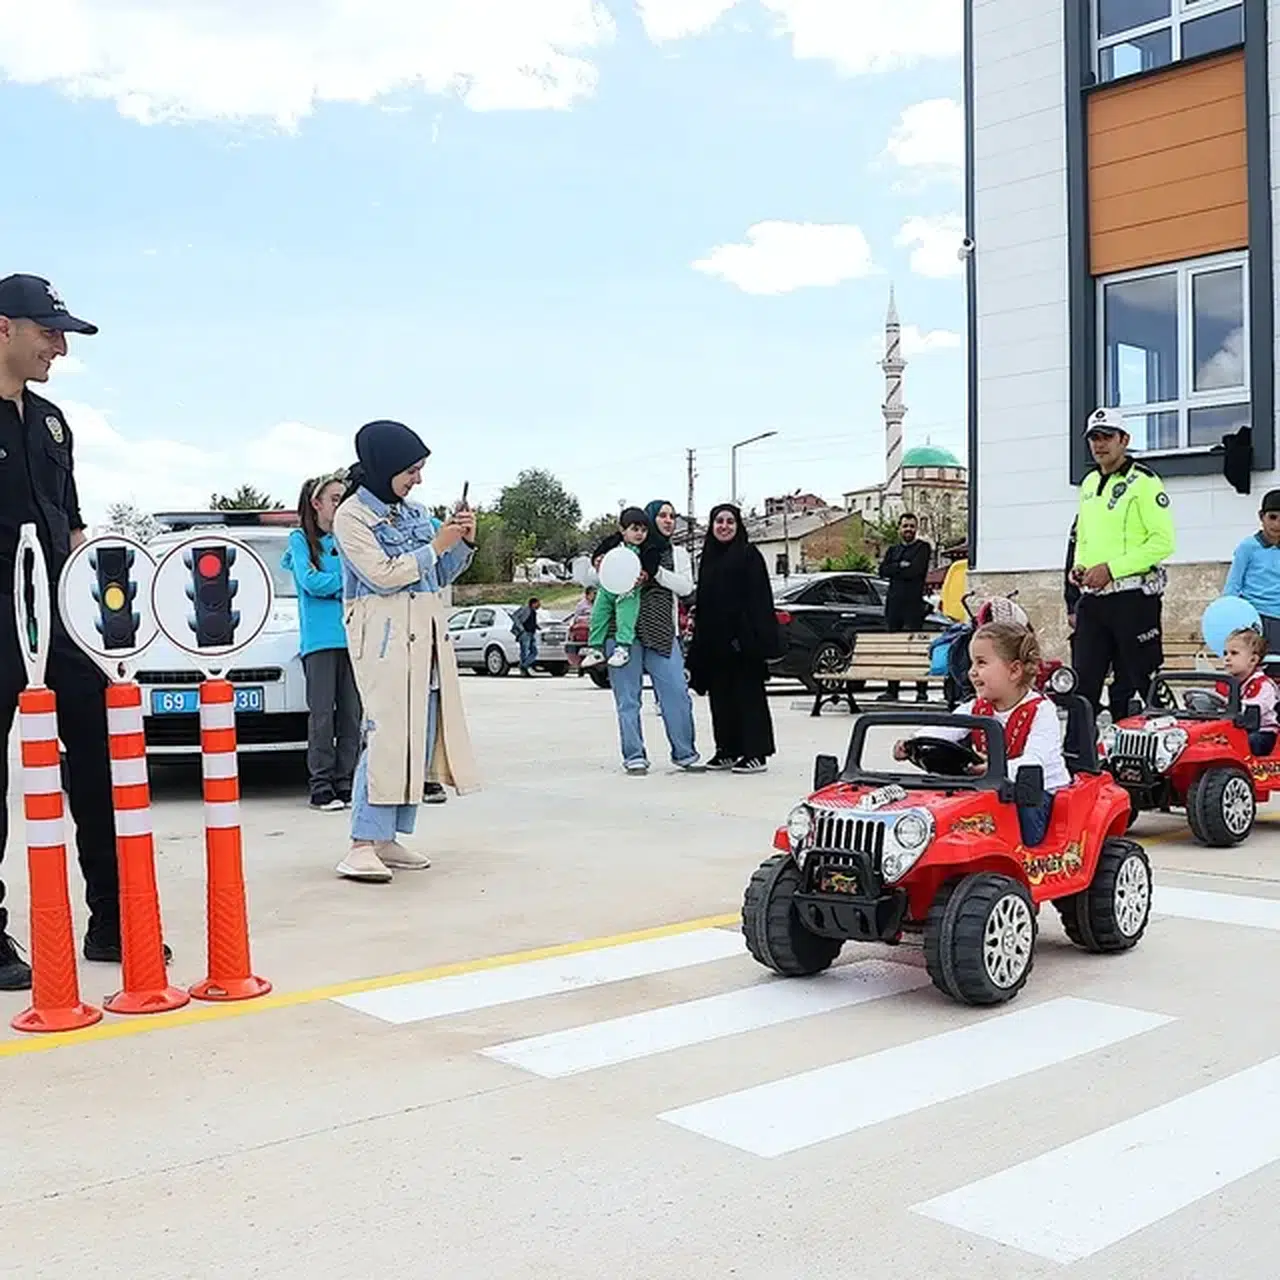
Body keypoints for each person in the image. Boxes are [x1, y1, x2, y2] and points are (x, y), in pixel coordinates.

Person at [0, 274, 134, 990]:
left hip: (56, 614)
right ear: (4, 329)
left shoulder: (52, 423)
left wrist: (91, 611)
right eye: (49, 332)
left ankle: (113, 919)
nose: (60, 346)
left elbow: (72, 522)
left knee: (100, 757)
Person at [330, 419, 480, 883]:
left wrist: (464, 540)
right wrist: (439, 543)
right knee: (386, 731)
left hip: (426, 629)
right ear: (385, 466)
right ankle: (360, 843)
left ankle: (388, 836)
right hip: (382, 630)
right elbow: (383, 574)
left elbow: (440, 572)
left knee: (418, 730)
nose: (418, 479)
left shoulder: (415, 513)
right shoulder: (351, 515)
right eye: (411, 469)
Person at [894, 621, 1069, 846]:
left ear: (1014, 670)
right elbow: (946, 728)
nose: (972, 672)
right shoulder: (976, 707)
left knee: (1021, 805)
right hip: (992, 787)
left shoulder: (1041, 710)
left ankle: (1023, 855)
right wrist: (913, 742)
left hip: (1038, 793)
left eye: (982, 663)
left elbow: (1036, 760)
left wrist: (998, 768)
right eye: (972, 663)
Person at [1066, 406, 1176, 722]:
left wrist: (1111, 569)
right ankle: (1078, 759)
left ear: (1124, 439)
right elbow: (1083, 538)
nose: (1100, 444)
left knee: (1144, 680)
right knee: (1082, 684)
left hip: (1133, 599)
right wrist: (1080, 566)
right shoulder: (1088, 483)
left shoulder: (1144, 482)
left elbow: (1162, 543)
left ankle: (1170, 751)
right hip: (1095, 601)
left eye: (1107, 437)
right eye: (1094, 438)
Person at [283, 472, 363, 811]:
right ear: (316, 504)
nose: (338, 505)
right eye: (333, 499)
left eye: (342, 498)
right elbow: (311, 581)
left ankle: (346, 782)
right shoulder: (300, 540)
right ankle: (321, 785)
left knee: (352, 715)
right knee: (321, 716)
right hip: (319, 641)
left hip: (355, 638)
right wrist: (348, 581)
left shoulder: (351, 539)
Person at [604, 499, 703, 774]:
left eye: (672, 516)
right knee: (628, 698)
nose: (668, 520)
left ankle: (685, 753)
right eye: (662, 515)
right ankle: (634, 754)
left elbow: (685, 587)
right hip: (623, 634)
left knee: (676, 693)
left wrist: (654, 572)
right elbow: (595, 575)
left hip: (661, 632)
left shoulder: (677, 553)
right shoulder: (620, 549)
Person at [686, 503, 782, 773]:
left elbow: (760, 600)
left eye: (730, 521)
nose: (724, 526)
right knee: (721, 698)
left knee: (748, 698)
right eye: (719, 521)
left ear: (738, 526)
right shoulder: (708, 557)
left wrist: (751, 638)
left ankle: (756, 753)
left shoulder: (749, 555)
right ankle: (727, 749)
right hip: (715, 643)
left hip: (744, 643)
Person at [580, 507, 650, 670]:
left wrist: (645, 575)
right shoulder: (612, 543)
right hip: (607, 588)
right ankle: (595, 649)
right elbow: (597, 555)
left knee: (626, 618)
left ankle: (623, 648)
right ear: (623, 530)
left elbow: (650, 566)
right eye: (635, 529)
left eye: (643, 530)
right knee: (598, 616)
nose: (639, 534)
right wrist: (597, 560)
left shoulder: (645, 549)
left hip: (629, 591)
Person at [878, 512, 932, 703]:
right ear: (899, 528)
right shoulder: (893, 549)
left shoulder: (923, 548)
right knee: (894, 649)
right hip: (894, 606)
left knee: (916, 649)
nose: (908, 529)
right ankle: (892, 690)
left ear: (916, 529)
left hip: (914, 606)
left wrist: (897, 568)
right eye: (905, 526)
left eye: (911, 526)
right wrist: (900, 566)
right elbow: (883, 570)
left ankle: (921, 691)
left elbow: (915, 570)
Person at [1224, 490, 1280, 656]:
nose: (1277, 524)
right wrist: (1228, 612)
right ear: (1261, 517)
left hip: (1278, 617)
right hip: (1253, 616)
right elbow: (1234, 583)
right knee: (1251, 662)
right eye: (1272, 517)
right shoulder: (1248, 547)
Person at [1222, 627, 1278, 756]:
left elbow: (1251, 712)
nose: (1227, 658)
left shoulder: (1263, 685)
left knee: (1246, 742)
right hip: (1236, 729)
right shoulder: (1227, 684)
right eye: (1225, 653)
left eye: (1234, 653)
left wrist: (1225, 707)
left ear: (1253, 660)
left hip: (1263, 732)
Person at [509, 596, 541, 677]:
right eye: (538, 603)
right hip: (524, 633)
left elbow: (531, 621)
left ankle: (523, 666)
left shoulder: (533, 611)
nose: (539, 605)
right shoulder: (525, 609)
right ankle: (524, 669)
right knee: (524, 652)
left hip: (531, 633)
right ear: (533, 603)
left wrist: (537, 626)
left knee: (534, 652)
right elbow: (514, 616)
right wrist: (521, 628)